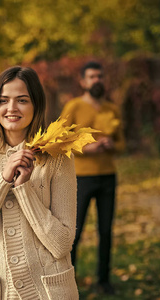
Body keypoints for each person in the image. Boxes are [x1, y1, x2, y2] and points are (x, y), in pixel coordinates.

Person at [0, 66, 79, 300]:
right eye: (3, 100)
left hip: (49, 292)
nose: (11, 108)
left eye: (22, 100)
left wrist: (24, 190)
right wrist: (2, 181)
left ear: (36, 105)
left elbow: (62, 244)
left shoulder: (58, 157)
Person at [61, 61, 125, 295]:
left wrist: (112, 145)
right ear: (83, 81)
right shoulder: (74, 106)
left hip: (108, 176)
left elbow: (122, 143)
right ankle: (69, 281)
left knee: (106, 231)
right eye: (91, 76)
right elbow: (61, 140)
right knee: (75, 232)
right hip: (81, 177)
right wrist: (86, 149)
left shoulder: (112, 109)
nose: (97, 80)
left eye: (100, 76)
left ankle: (104, 281)